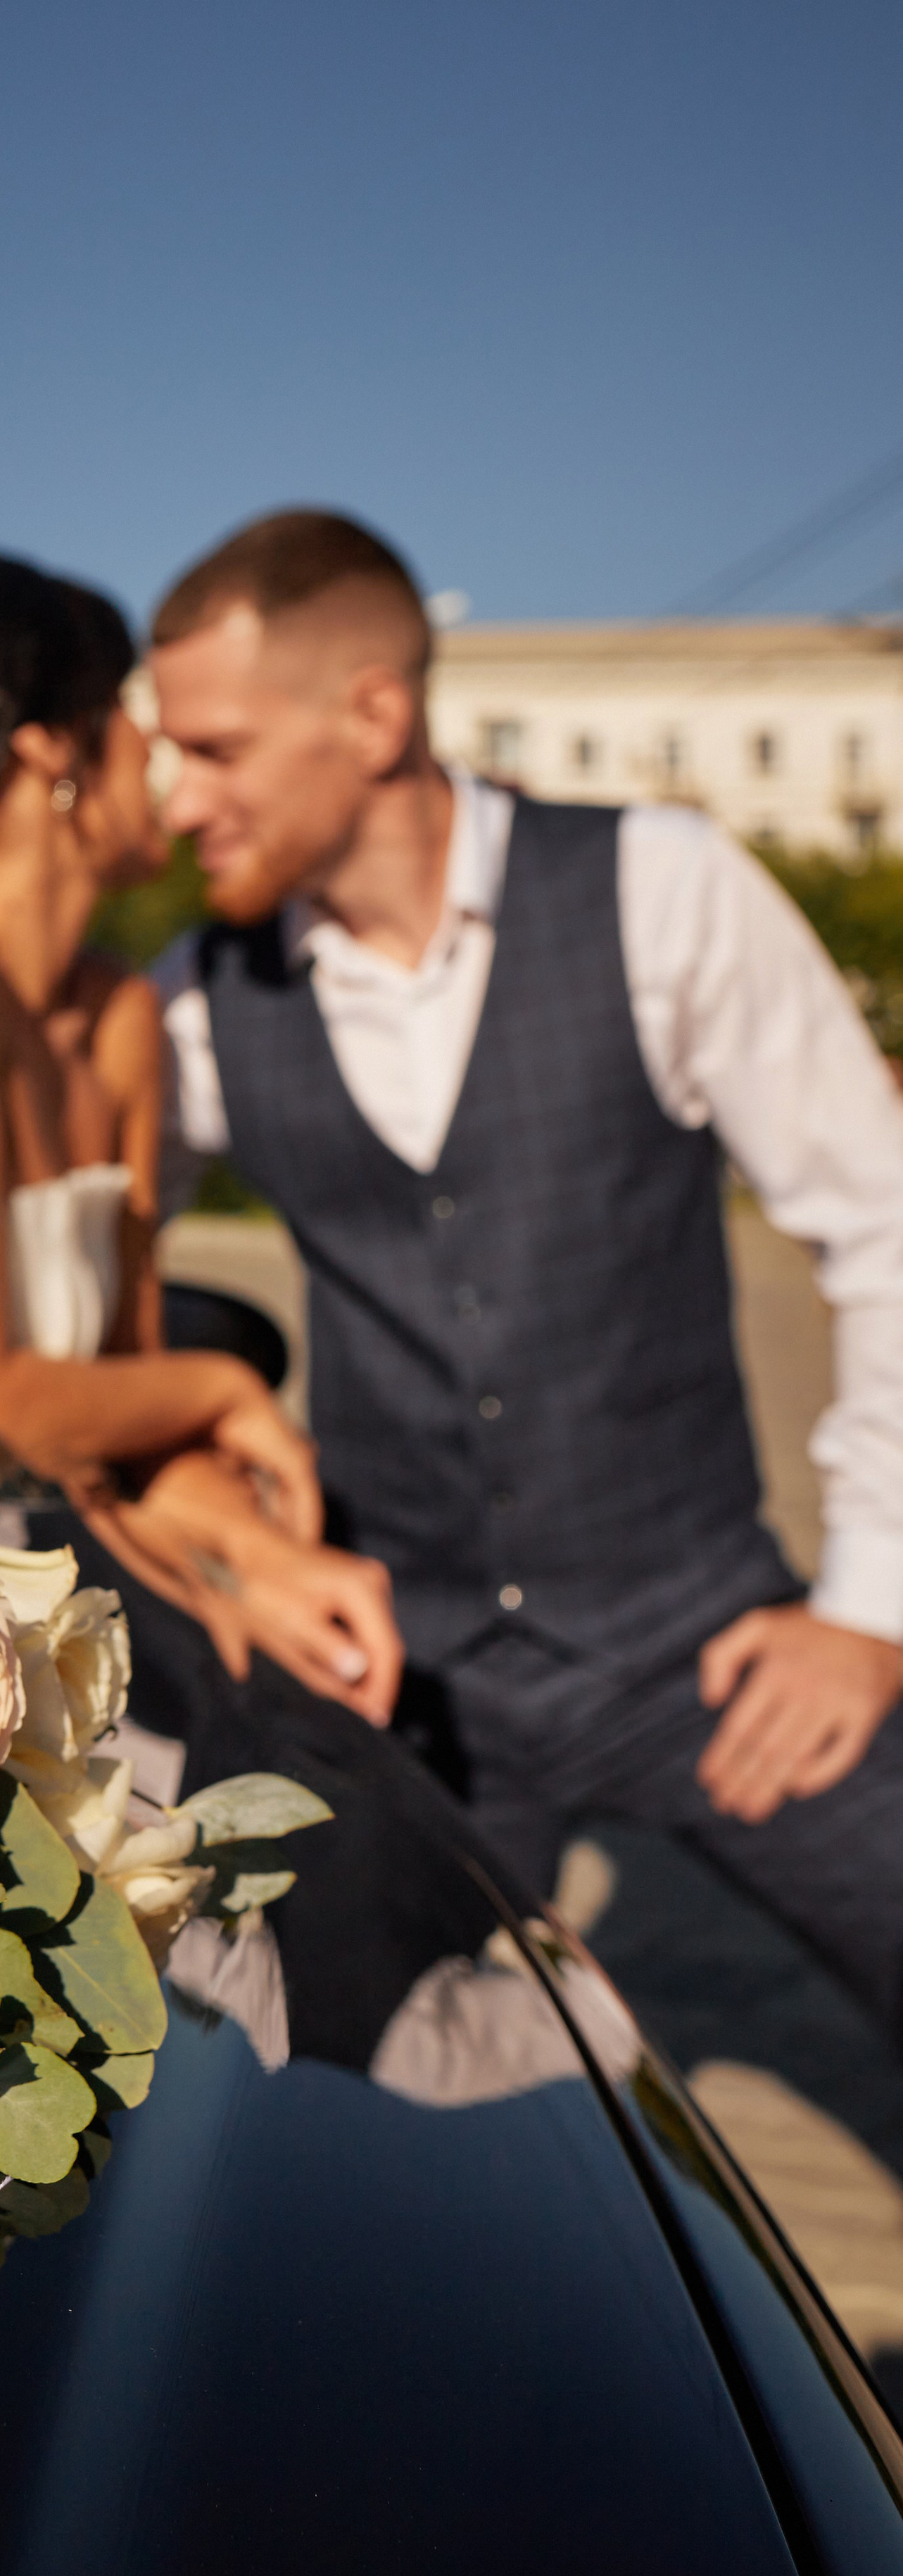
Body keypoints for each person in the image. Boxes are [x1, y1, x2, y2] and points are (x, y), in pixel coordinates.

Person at [150, 505, 903, 2033]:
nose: (176, 799)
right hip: (401, 1680)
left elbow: (879, 1225)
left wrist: (870, 1609)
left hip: (702, 1642)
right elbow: (70, 1299)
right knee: (304, 2071)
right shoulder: (192, 1001)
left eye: (213, 749)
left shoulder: (660, 885)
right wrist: (213, 1500)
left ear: (370, 714)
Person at [0, 550, 402, 1718]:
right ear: (49, 750)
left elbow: (109, 1412)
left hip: (16, 1604)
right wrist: (219, 1387)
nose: (154, 755)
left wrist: (266, 1564)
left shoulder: (121, 1016)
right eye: (126, 718)